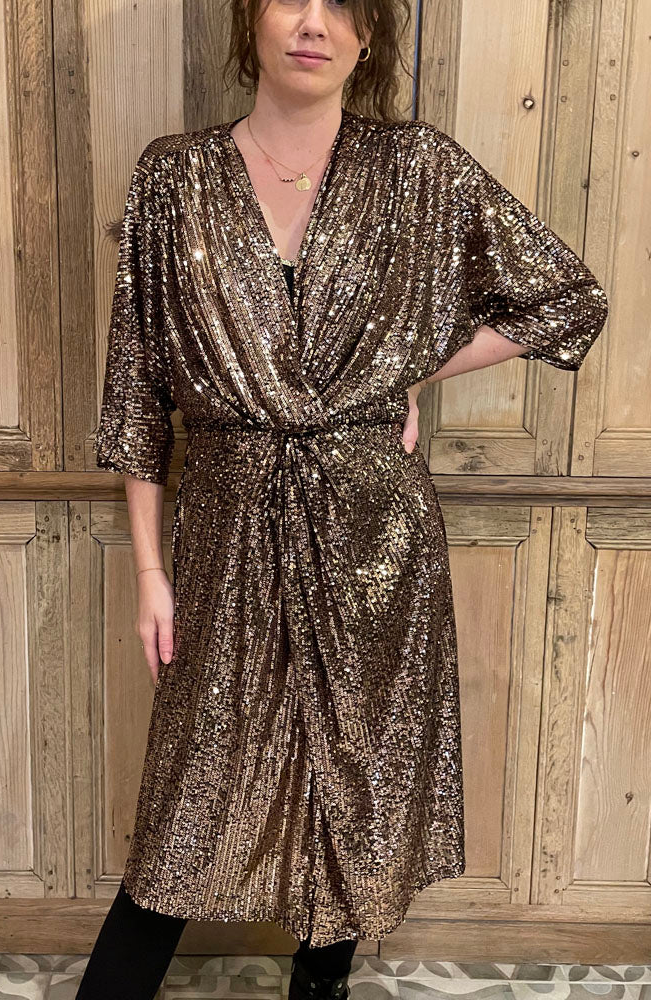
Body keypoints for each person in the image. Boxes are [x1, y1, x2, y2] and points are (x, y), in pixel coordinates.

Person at [79, 0, 609, 997]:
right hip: (224, 527)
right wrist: (150, 571)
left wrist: (407, 367)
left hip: (375, 532)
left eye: (342, 5)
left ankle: (319, 987)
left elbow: (564, 297)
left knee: (355, 785)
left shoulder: (416, 168)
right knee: (189, 799)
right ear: (250, 20)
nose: (313, 23)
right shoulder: (173, 177)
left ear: (369, 36)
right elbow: (137, 390)